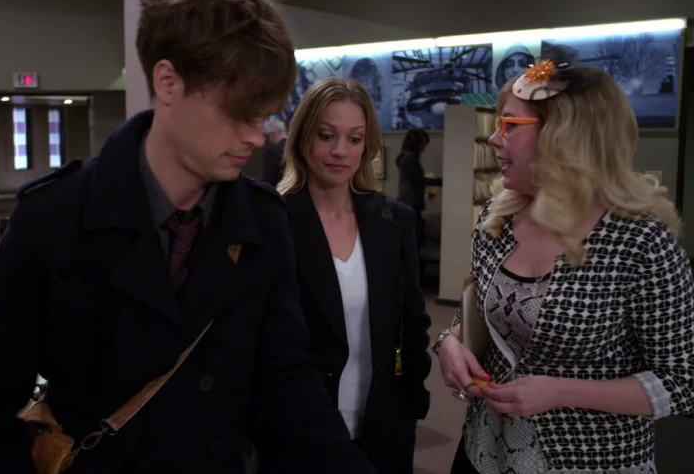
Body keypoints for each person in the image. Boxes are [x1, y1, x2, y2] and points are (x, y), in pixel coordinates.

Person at [0, 0, 376, 473]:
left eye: (263, 117)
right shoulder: (53, 217)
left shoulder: (263, 221)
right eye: (239, 113)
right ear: (168, 82)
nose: (256, 137)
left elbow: (290, 390)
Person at [434, 57, 694, 473]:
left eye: (510, 126)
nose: (495, 140)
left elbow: (682, 382)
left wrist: (560, 392)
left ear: (565, 137)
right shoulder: (497, 221)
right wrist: (449, 342)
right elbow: (482, 317)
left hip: (586, 459)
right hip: (483, 451)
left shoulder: (640, 242)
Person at [278, 78, 431, 474]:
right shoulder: (274, 221)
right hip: (300, 432)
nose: (340, 151)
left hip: (385, 428)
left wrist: (411, 403)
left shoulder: (394, 221)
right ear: (302, 137)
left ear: (367, 145)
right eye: (326, 136)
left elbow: (412, 324)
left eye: (354, 138)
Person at [395, 128, 430, 252]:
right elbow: (420, 179)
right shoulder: (410, 159)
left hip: (407, 200)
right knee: (414, 237)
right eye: (423, 144)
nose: (424, 148)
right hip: (411, 202)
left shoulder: (405, 157)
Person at [260, 115, 287, 187]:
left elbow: (269, 179)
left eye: (269, 134)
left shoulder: (272, 152)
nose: (269, 137)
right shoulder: (295, 147)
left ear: (273, 134)